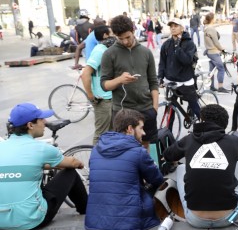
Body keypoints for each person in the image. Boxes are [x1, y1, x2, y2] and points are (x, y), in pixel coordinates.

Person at [0, 103, 87, 230]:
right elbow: (72, 162)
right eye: (41, 119)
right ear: (30, 125)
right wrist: (80, 164)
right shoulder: (41, 149)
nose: (45, 122)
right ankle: (86, 209)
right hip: (31, 219)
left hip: (1, 221)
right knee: (70, 173)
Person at [163, 105, 238, 228]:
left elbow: (168, 155)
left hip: (194, 219)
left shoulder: (189, 139)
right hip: (229, 218)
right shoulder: (234, 141)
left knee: (181, 168)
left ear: (202, 120)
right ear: (225, 124)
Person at [85, 109, 163, 230]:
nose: (143, 133)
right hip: (129, 224)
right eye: (141, 128)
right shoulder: (138, 152)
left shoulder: (96, 149)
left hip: (96, 221)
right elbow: (157, 179)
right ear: (129, 129)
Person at [100, 14, 160, 149]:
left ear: (133, 31)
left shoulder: (146, 52)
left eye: (127, 37)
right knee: (124, 148)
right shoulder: (109, 54)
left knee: (145, 146)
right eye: (120, 38)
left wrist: (154, 108)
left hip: (146, 109)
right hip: (122, 111)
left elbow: (153, 82)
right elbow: (104, 85)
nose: (125, 41)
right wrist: (119, 80)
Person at [158, 17, 201, 119]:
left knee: (195, 106)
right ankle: (168, 132)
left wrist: (178, 47)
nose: (173, 28)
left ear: (182, 28)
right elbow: (162, 62)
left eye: (176, 26)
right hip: (171, 81)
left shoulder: (189, 43)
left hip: (185, 81)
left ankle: (205, 126)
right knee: (170, 109)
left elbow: (187, 61)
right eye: (171, 26)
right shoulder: (166, 44)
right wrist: (160, 77)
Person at [81, 25, 114, 144]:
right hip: (102, 99)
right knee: (101, 134)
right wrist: (90, 95)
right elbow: (85, 74)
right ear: (105, 35)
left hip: (109, 97)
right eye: (112, 32)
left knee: (111, 132)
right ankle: (95, 161)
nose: (115, 34)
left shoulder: (106, 49)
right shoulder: (100, 50)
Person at [203, 13, 231, 92]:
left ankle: (211, 86)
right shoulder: (211, 29)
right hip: (214, 52)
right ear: (212, 19)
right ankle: (220, 87)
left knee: (211, 70)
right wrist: (222, 49)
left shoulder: (206, 28)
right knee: (221, 69)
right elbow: (216, 42)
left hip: (209, 51)